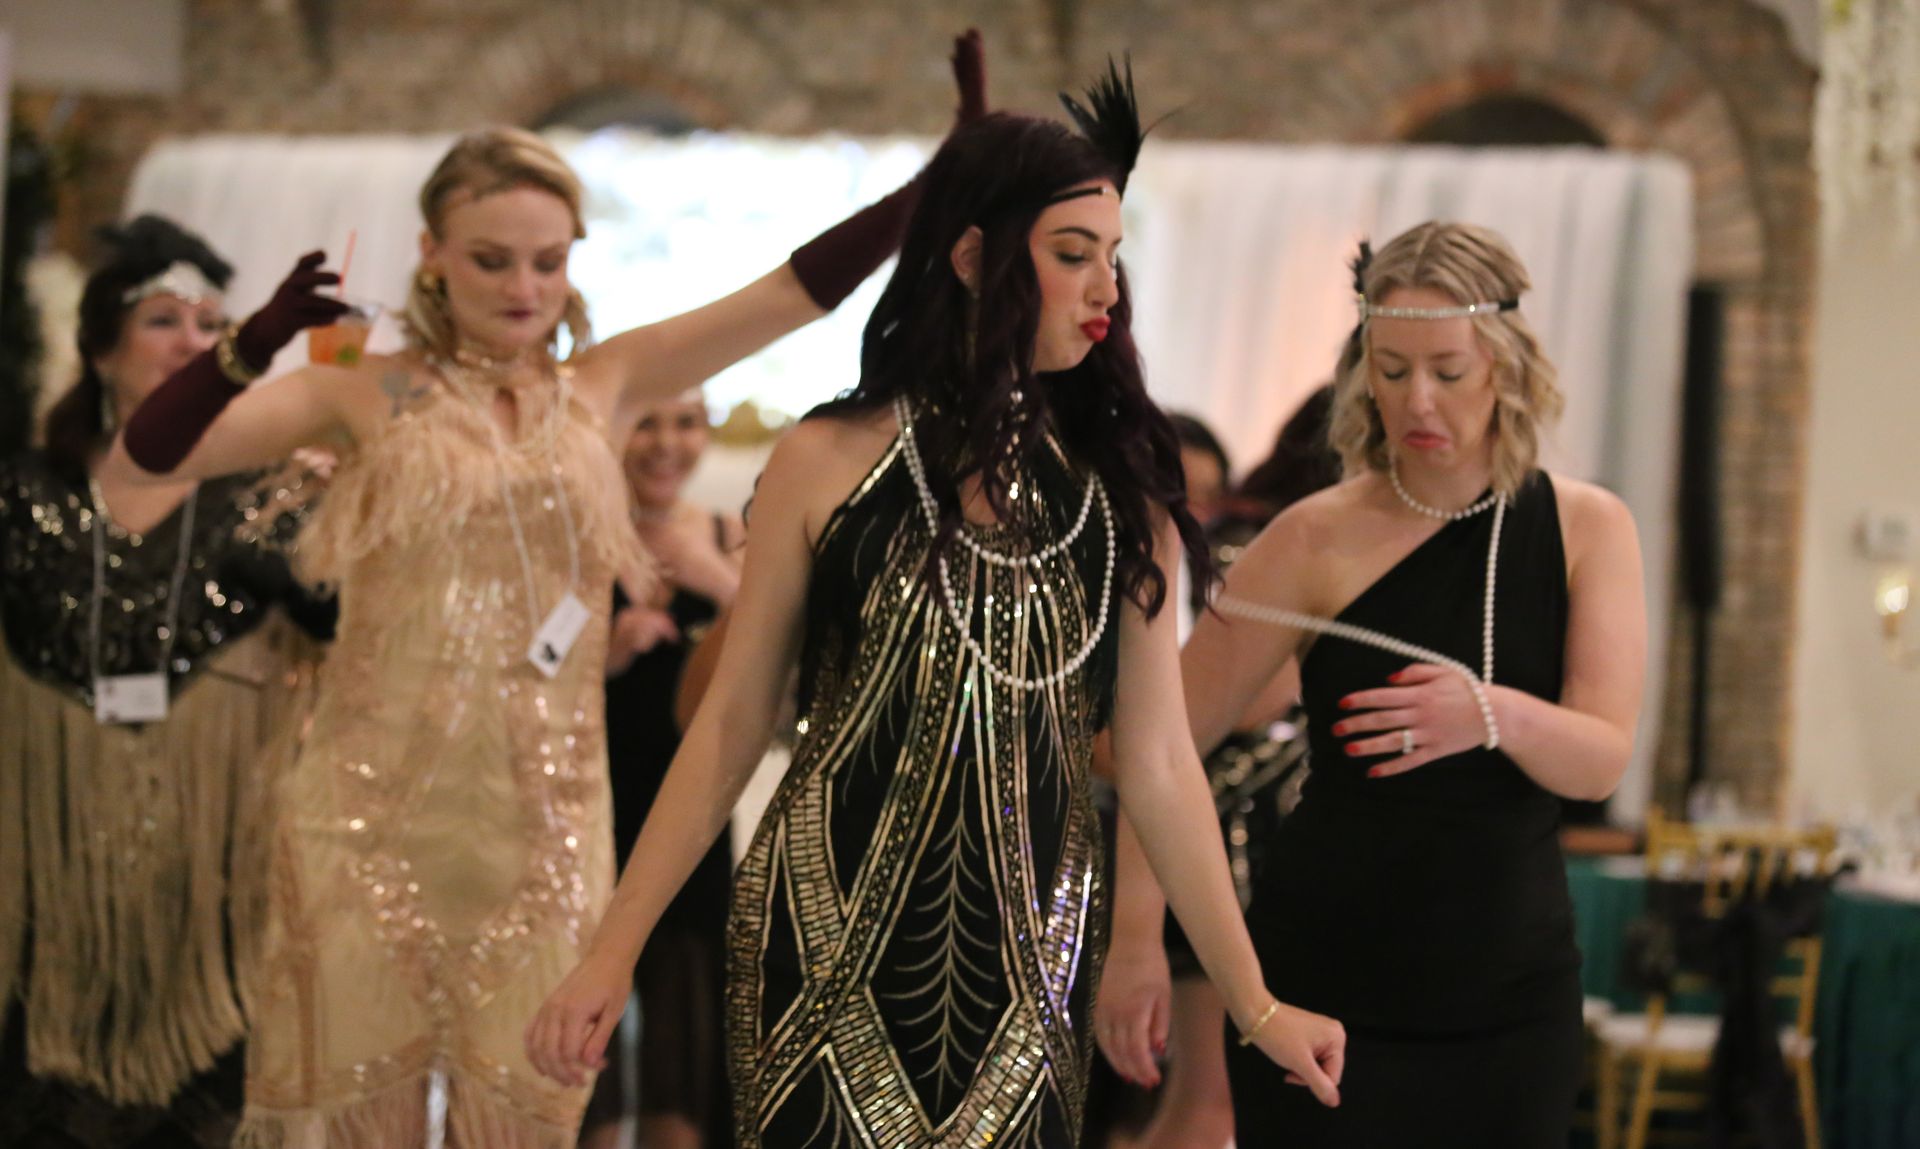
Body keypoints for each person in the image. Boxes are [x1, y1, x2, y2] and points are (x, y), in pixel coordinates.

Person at [107, 34, 988, 1145]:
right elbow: (152, 452)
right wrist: (252, 344)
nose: (523, 288)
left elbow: (791, 294)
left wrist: (938, 179)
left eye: (547, 260)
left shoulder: (606, 384)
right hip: (361, 822)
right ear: (431, 253)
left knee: (531, 1117)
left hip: (548, 832)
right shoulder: (365, 392)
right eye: (490, 260)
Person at [524, 64, 1347, 1149]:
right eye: (1070, 256)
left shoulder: (1121, 496)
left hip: (1030, 961)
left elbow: (1157, 765)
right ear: (973, 257)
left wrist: (1254, 1004)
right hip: (817, 940)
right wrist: (610, 950)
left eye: (1112, 258)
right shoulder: (825, 457)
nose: (1106, 290)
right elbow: (728, 723)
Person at [1114, 221, 1647, 1146]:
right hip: (1324, 982)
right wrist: (1131, 938)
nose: (1418, 399)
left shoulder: (1588, 528)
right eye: (1391, 369)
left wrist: (1490, 712)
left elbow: (1599, 759)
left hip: (1510, 997)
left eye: (1447, 367)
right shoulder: (1313, 536)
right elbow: (1156, 747)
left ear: (1505, 365)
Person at [0, 216, 333, 1146]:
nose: (194, 341)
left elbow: (349, 625)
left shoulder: (270, 496)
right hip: (47, 888)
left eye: (212, 323)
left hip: (215, 904)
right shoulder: (24, 494)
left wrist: (356, 507)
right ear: (99, 349)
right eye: (164, 320)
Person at [1095, 386, 1340, 1149]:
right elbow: (1234, 705)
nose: (1188, 512)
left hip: (1209, 844)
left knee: (1204, 1107)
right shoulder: (1257, 546)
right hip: (1211, 852)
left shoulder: (1244, 543)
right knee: (1208, 1106)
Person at [581, 393, 744, 1149]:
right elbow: (518, 671)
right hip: (587, 809)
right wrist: (604, 653)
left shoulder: (726, 538)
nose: (666, 442)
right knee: (585, 1075)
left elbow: (775, 663)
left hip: (691, 817)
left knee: (686, 1059)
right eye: (647, 418)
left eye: (686, 422)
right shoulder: (578, 536)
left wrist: (716, 579)